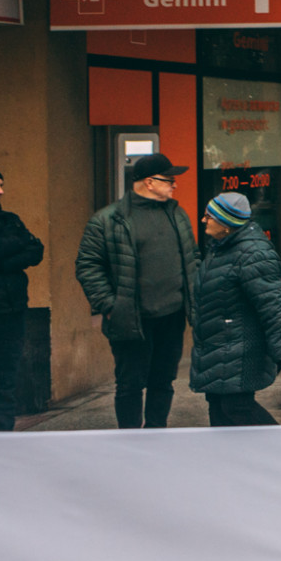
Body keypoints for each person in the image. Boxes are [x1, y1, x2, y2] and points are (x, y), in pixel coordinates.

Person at [75, 152, 198, 428]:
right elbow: (87, 266)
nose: (175, 185)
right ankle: (130, 441)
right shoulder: (108, 220)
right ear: (149, 182)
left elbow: (193, 257)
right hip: (131, 319)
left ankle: (157, 433)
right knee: (130, 384)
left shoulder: (177, 214)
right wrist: (111, 305)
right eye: (169, 180)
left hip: (172, 315)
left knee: (163, 380)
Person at [187, 193, 281, 426]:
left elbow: (272, 305)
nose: (203, 220)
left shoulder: (253, 254)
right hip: (218, 345)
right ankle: (228, 460)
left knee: (236, 406)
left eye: (209, 216)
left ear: (226, 224)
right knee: (218, 408)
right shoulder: (219, 249)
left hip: (239, 347)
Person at [0, 170, 45, 432]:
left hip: (12, 312)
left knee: (6, 376)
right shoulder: (13, 228)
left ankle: (3, 435)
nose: (0, 191)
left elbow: (36, 250)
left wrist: (4, 260)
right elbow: (23, 247)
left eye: (1, 185)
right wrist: (15, 248)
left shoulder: (10, 220)